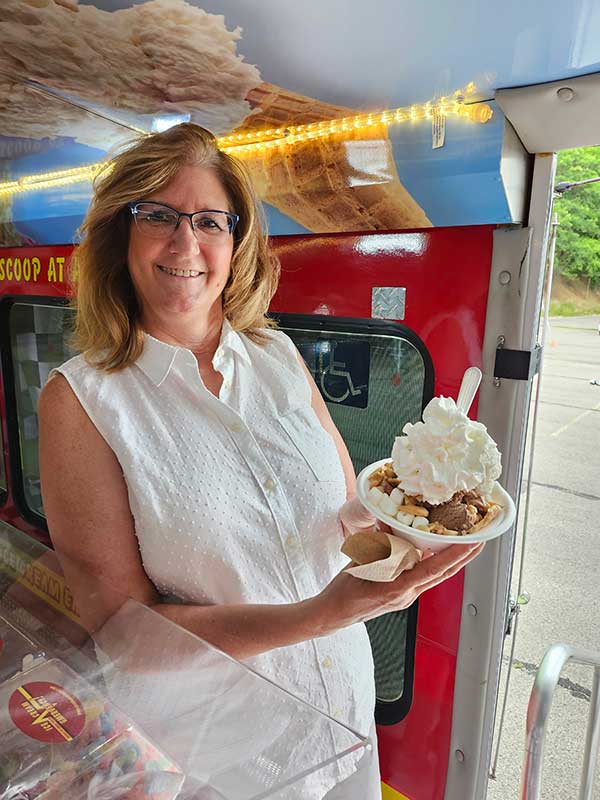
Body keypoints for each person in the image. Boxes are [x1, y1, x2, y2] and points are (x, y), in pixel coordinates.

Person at [38, 123, 483, 799]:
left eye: (210, 221)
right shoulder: (83, 399)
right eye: (158, 215)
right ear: (120, 236)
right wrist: (320, 613)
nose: (186, 243)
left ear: (237, 239)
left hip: (345, 724)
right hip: (220, 767)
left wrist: (416, 512)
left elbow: (343, 514)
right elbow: (123, 633)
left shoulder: (275, 356)